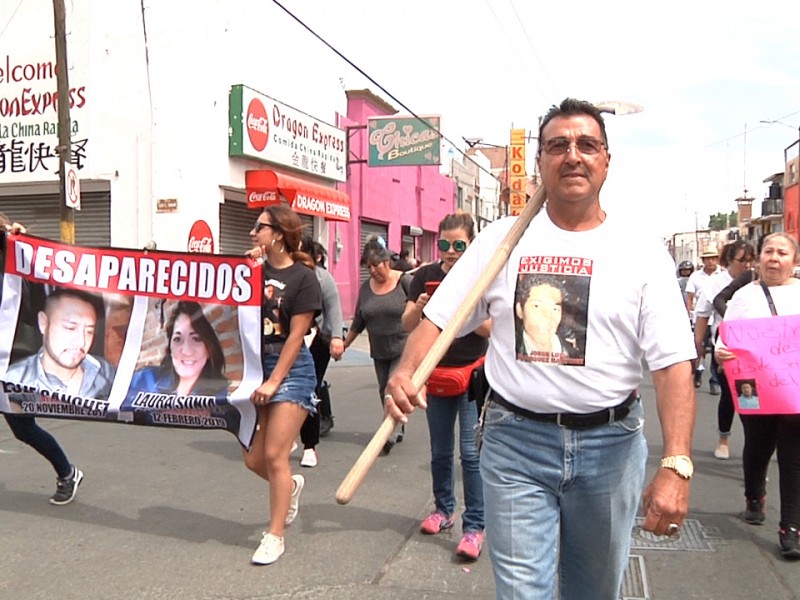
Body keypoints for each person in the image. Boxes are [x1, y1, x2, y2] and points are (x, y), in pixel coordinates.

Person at [384, 98, 696, 599]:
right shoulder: (499, 242)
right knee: (523, 592)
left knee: (592, 591)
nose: (573, 155)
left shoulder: (640, 251)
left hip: (610, 448)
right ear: (540, 163)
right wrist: (405, 371)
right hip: (515, 444)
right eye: (558, 146)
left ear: (606, 161)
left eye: (587, 145)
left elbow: (672, 364)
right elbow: (439, 317)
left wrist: (676, 463)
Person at [402, 212, 489, 560]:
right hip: (435, 376)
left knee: (470, 454)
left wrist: (460, 308)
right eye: (444, 244)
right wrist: (425, 307)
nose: (451, 252)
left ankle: (475, 526)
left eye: (458, 245)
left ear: (470, 244)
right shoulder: (423, 276)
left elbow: (492, 329)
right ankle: (443, 510)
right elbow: (407, 323)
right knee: (440, 452)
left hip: (471, 376)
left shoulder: (483, 276)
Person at [242, 206, 321, 566]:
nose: (252, 233)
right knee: (253, 458)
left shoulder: (304, 279)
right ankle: (288, 488)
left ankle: (275, 535)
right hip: (255, 367)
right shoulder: (252, 272)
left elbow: (296, 337)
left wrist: (275, 381)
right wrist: (243, 271)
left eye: (259, 227)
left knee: (275, 454)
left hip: (291, 370)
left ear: (277, 234)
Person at [714, 232, 800, 559]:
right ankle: (754, 496)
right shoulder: (745, 296)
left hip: (794, 389)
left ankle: (791, 528)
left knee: (794, 459)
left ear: (793, 261)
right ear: (759, 257)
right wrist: (723, 354)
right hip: (755, 387)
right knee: (757, 447)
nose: (774, 258)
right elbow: (728, 338)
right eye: (769, 251)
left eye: (782, 253)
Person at [0, 214, 86, 505]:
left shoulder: (13, 254)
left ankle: (67, 472)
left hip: (11, 358)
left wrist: (17, 239)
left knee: (23, 427)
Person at [121, 301, 239, 429]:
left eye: (196, 339)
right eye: (178, 339)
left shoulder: (220, 395)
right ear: (170, 347)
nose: (186, 351)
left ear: (209, 348)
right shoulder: (144, 379)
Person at [343, 236, 411, 455]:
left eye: (376, 265)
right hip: (379, 349)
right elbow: (358, 321)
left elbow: (422, 310)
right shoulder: (366, 289)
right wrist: (344, 345)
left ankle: (386, 435)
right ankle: (397, 425)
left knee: (392, 387)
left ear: (387, 262)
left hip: (403, 346)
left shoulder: (404, 282)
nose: (372, 270)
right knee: (384, 391)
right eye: (368, 266)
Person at [692, 240, 755, 459]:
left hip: (757, 349)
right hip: (726, 346)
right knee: (729, 395)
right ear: (729, 260)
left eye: (750, 260)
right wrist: (697, 347)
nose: (747, 265)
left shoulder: (758, 280)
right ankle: (723, 439)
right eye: (742, 260)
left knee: (753, 397)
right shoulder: (716, 283)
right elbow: (702, 315)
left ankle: (755, 449)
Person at [297, 235, 344, 468]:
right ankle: (286, 436)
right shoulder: (281, 274)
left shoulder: (322, 278)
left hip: (318, 340)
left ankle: (309, 445)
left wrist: (337, 337)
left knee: (309, 388)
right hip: (287, 340)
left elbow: (334, 307)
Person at [514, 274, 584, 363]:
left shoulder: (573, 354)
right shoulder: (508, 350)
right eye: (537, 306)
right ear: (520, 310)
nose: (547, 317)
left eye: (555, 309)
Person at [686, 247, 725, 389]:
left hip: (717, 318)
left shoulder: (723, 276)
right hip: (700, 318)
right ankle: (698, 371)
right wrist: (688, 315)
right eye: (708, 258)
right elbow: (690, 297)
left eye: (714, 258)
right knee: (699, 348)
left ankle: (714, 381)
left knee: (716, 349)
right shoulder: (695, 277)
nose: (711, 261)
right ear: (703, 261)